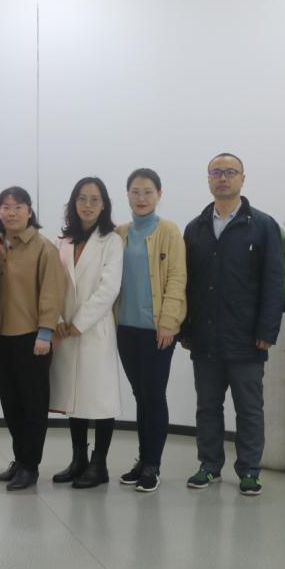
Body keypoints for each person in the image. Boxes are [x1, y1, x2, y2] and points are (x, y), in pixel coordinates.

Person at [182, 153, 283, 496]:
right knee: (207, 407)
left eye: (230, 172)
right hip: (205, 336)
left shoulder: (263, 226)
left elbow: (274, 282)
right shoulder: (195, 227)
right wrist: (186, 329)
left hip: (247, 338)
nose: (223, 178)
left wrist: (267, 331)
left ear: (242, 178)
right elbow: (187, 284)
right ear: (208, 178)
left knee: (249, 409)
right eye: (216, 172)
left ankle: (249, 471)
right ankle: (209, 466)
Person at [0, 186, 66, 491]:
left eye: (18, 207)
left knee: (33, 404)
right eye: (6, 207)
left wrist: (45, 333)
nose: (12, 212)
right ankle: (20, 459)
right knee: (10, 403)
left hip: (32, 338)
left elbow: (52, 293)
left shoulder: (44, 248)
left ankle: (30, 466)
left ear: (30, 211)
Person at [113, 168, 186, 493]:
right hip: (125, 329)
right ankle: (142, 460)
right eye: (135, 192)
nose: (141, 198)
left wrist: (169, 321)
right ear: (127, 195)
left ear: (159, 195)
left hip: (158, 331)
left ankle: (152, 465)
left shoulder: (169, 231)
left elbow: (177, 278)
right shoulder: (119, 233)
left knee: (154, 395)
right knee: (140, 395)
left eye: (148, 192)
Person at [48, 177, 124, 490]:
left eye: (95, 199)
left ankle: (99, 464)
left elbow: (109, 288)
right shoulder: (63, 241)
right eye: (82, 198)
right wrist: (57, 319)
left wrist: (78, 322)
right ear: (73, 203)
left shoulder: (112, 241)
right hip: (64, 329)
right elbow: (52, 283)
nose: (88, 205)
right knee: (74, 398)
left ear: (104, 204)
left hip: (94, 330)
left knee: (100, 399)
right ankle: (78, 459)